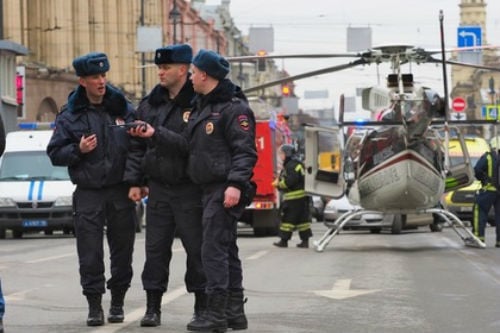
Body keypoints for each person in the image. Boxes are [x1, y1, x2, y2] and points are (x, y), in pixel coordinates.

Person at [46, 52, 137, 326]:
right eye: (95, 77)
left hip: (120, 190)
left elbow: (137, 146)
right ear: (83, 81)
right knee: (90, 252)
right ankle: (95, 305)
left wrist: (135, 180)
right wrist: (78, 150)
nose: (101, 81)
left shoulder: (122, 109)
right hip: (88, 191)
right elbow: (55, 152)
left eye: (103, 76)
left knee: (123, 251)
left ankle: (118, 302)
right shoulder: (71, 115)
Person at [124, 44, 206, 327]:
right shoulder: (150, 104)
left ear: (183, 70)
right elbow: (135, 146)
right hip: (158, 188)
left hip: (189, 188)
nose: (160, 72)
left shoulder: (197, 102)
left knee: (197, 251)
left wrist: (156, 134)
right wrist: (136, 180)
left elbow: (191, 146)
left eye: (166, 67)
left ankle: (202, 307)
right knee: (155, 251)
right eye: (159, 67)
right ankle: (152, 307)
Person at [186, 49, 257, 332]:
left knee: (213, 250)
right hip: (208, 187)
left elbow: (245, 151)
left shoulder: (234, 108)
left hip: (223, 187)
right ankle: (234, 312)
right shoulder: (203, 107)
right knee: (226, 249)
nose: (191, 77)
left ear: (204, 74)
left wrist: (235, 184)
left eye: (193, 72)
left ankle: (216, 315)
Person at [272, 144, 312, 248]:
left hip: (294, 198)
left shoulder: (291, 165)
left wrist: (279, 184)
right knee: (302, 220)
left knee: (288, 219)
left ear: (287, 154)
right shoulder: (297, 164)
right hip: (302, 198)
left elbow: (290, 181)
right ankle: (305, 241)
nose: (280, 156)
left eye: (281, 154)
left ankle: (283, 241)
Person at [472, 139, 500, 246]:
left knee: (479, 211)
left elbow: (477, 170)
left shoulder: (488, 157)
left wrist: (484, 179)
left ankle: (479, 238)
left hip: (489, 190)